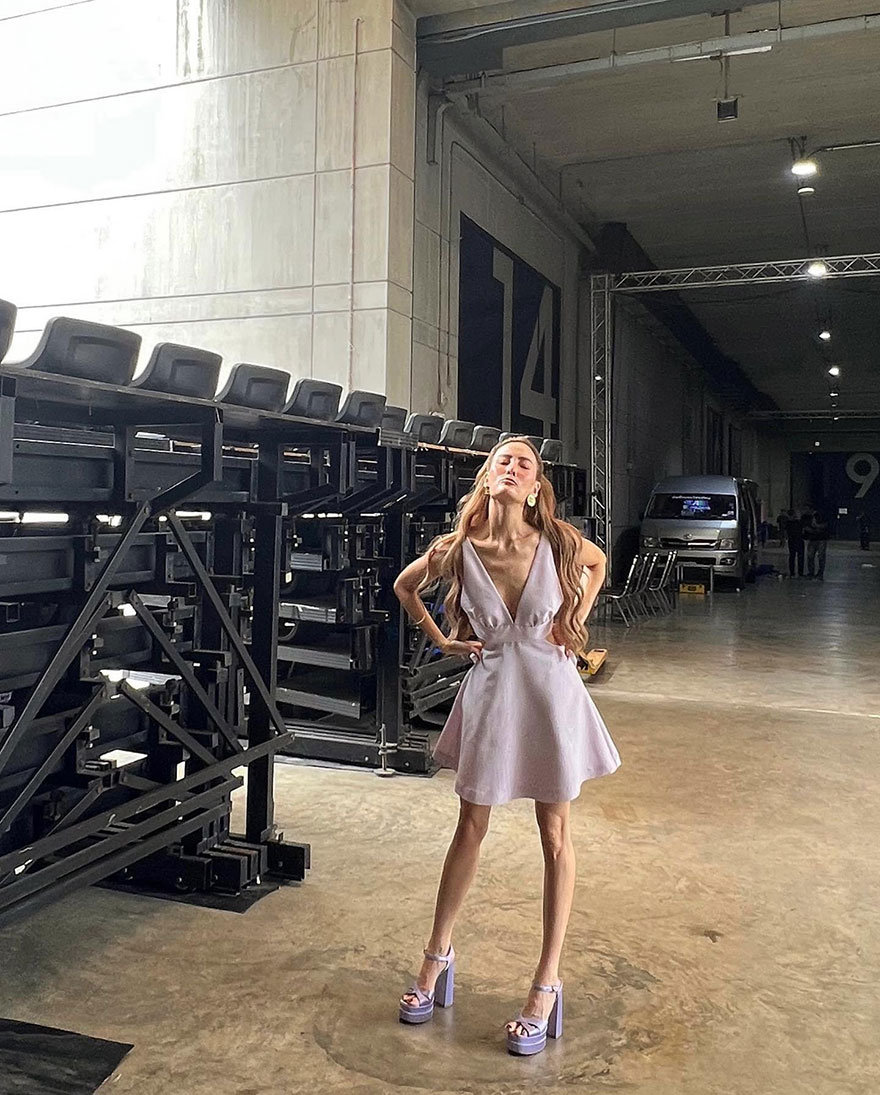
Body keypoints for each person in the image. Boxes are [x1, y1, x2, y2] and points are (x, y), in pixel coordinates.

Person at [392, 436, 620, 1057]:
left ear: (536, 486)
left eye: (525, 463)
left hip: (551, 692)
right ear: (487, 478)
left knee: (555, 833)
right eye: (503, 460)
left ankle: (546, 983)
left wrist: (576, 617)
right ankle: (436, 956)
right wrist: (443, 640)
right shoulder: (459, 548)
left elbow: (599, 564)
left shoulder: (560, 541)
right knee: (470, 825)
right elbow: (405, 587)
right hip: (493, 692)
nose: (513, 468)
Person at [806, 510, 829, 580]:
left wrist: (816, 526)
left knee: (821, 556)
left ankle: (820, 573)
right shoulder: (807, 517)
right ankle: (811, 572)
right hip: (813, 539)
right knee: (810, 556)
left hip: (821, 539)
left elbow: (826, 525)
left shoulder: (822, 516)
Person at [786, 508, 805, 578]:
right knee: (799, 557)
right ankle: (800, 572)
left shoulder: (788, 523)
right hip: (798, 540)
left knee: (792, 556)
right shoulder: (798, 522)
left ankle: (792, 572)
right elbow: (802, 531)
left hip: (792, 541)